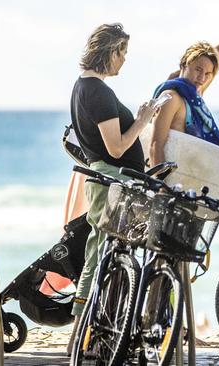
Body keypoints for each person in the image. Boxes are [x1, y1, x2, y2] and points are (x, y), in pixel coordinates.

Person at [67, 23, 157, 353]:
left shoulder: (83, 87)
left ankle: (86, 337)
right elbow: (116, 147)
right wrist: (144, 119)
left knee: (101, 255)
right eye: (123, 53)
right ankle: (80, 337)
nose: (124, 61)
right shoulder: (98, 91)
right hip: (112, 180)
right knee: (102, 255)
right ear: (111, 51)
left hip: (106, 178)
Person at [149, 41, 219, 165]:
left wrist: (180, 73)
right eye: (198, 69)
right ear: (184, 65)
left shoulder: (195, 94)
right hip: (174, 175)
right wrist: (160, 182)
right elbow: (155, 146)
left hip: (194, 174)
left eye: (208, 73)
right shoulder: (171, 98)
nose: (202, 78)